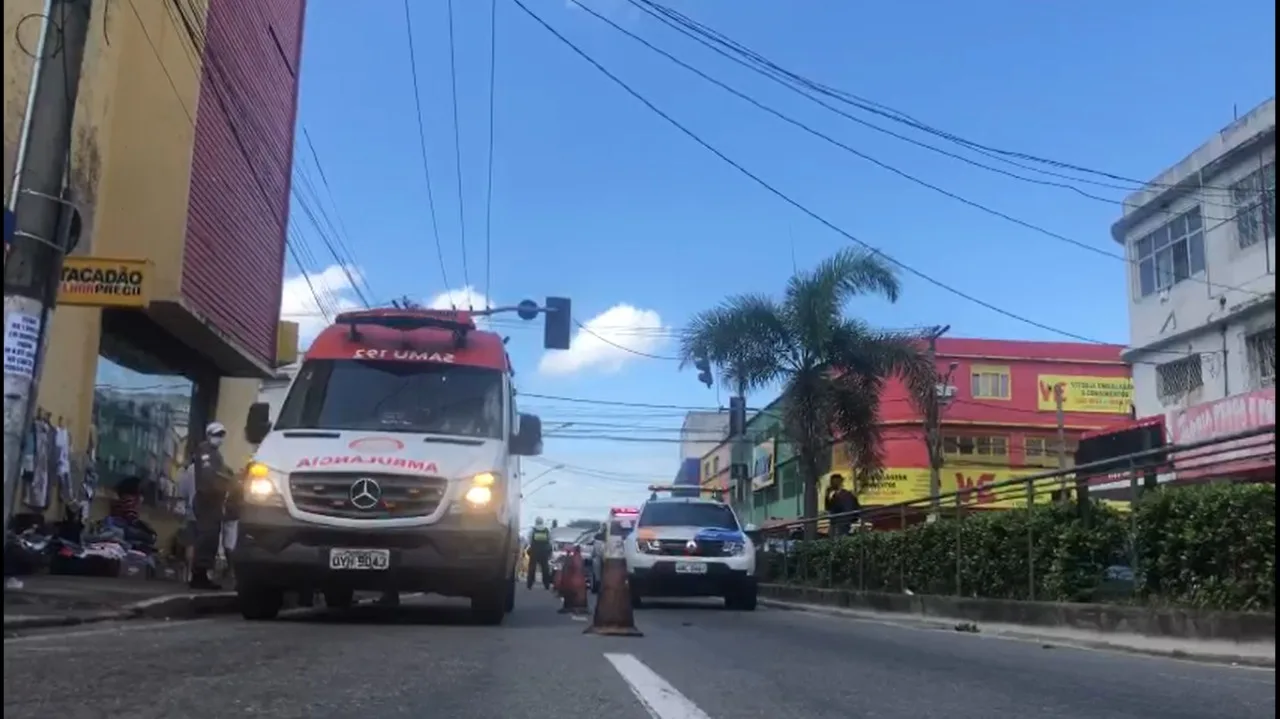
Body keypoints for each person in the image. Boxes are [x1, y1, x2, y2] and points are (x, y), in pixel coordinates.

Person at [189, 421, 233, 590]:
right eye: (216, 434)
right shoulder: (205, 450)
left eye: (221, 435)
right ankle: (199, 575)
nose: (219, 438)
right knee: (206, 537)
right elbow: (210, 476)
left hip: (213, 501)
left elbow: (221, 473)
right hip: (207, 499)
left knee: (211, 538)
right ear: (208, 435)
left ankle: (203, 574)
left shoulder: (215, 454)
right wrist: (226, 480)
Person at [825, 473, 861, 539]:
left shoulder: (846, 495)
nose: (831, 484)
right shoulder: (834, 495)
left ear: (840, 482)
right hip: (835, 524)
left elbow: (849, 510)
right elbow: (828, 508)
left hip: (842, 524)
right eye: (831, 482)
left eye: (834, 482)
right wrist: (827, 496)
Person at [526, 517, 553, 590]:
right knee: (545, 569)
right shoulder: (547, 530)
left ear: (536, 522)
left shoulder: (533, 530)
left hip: (534, 551)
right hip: (544, 552)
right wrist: (550, 550)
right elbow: (550, 541)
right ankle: (546, 585)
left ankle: (529, 584)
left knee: (532, 568)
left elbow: (529, 540)